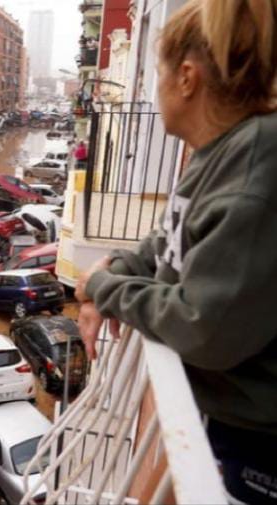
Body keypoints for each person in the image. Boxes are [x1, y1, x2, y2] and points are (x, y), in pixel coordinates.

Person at [74, 0, 277, 503]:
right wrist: (119, 267)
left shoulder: (255, 167)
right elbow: (166, 243)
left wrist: (104, 286)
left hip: (257, 445)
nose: (154, 87)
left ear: (186, 78)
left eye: (158, 72)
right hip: (225, 419)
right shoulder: (219, 154)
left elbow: (204, 327)